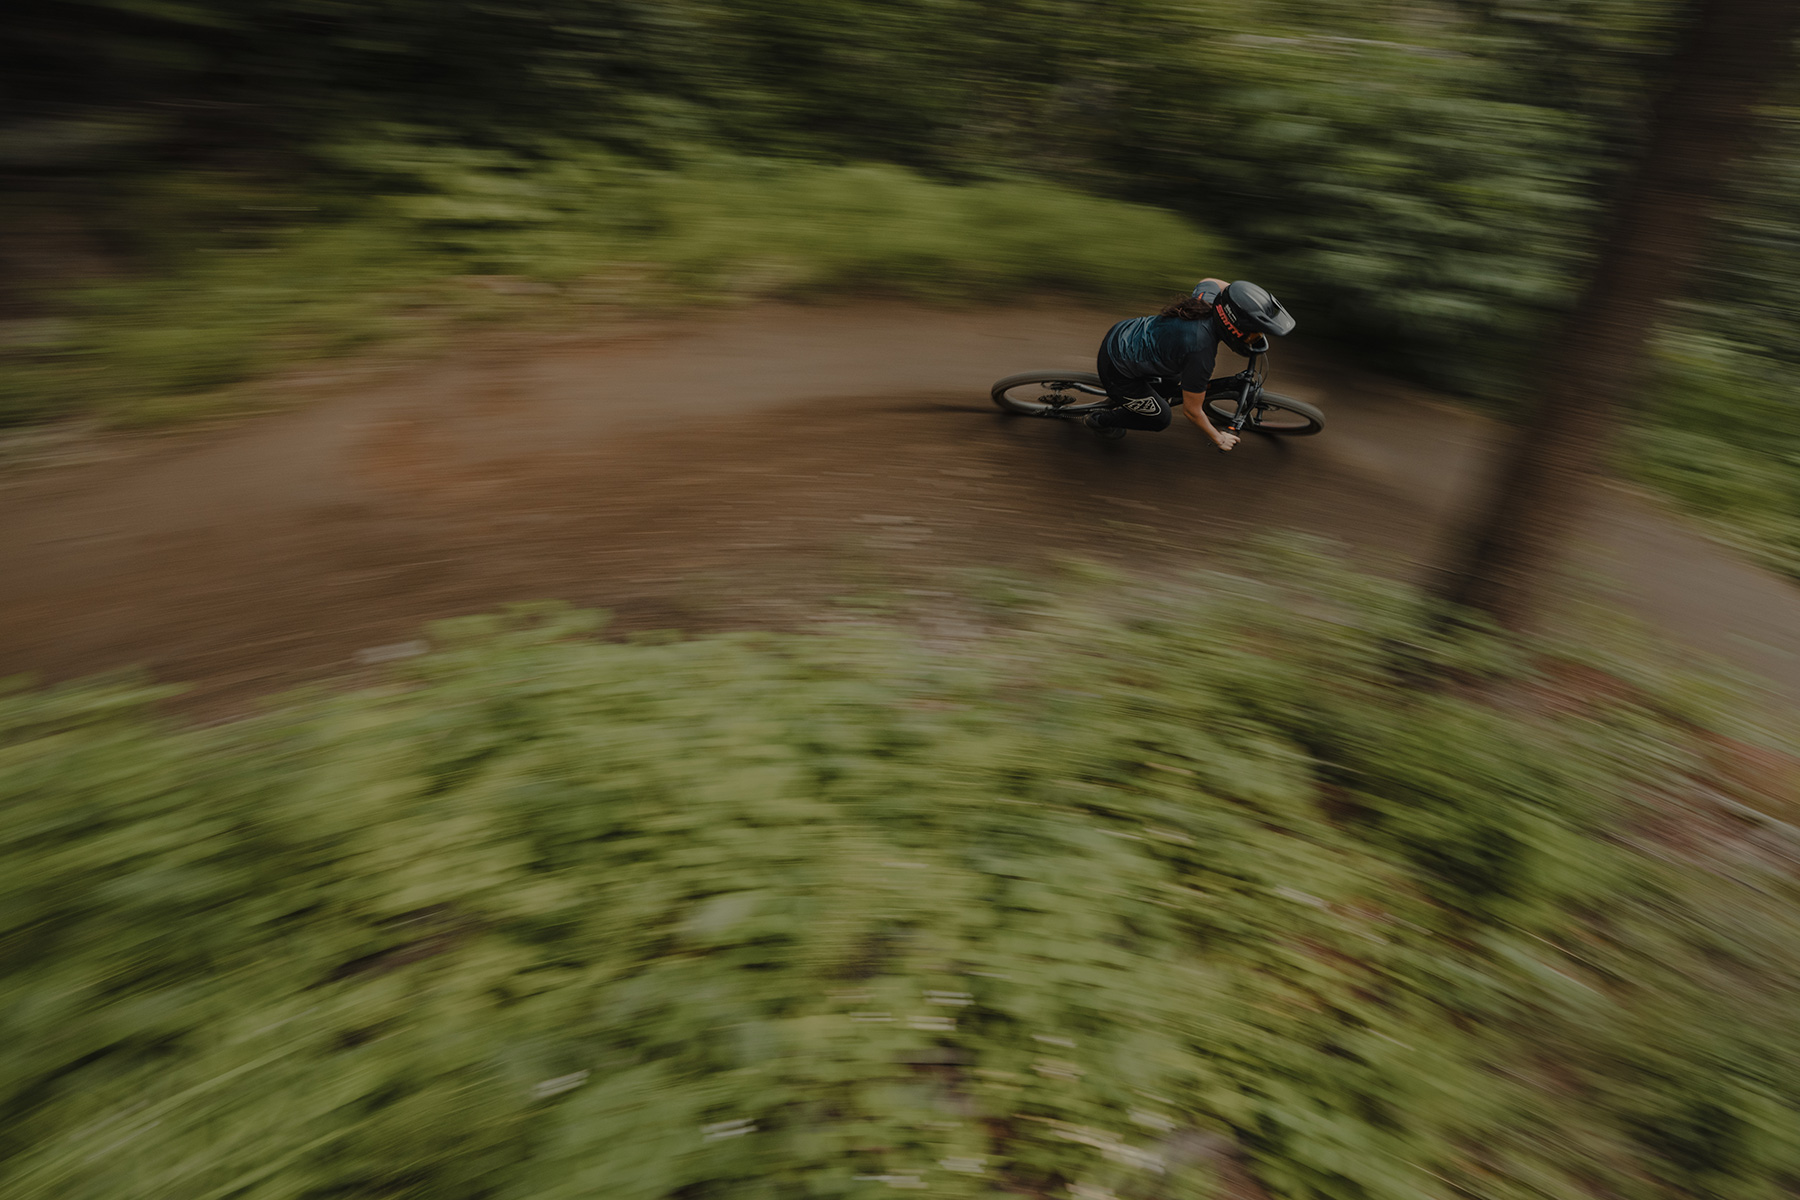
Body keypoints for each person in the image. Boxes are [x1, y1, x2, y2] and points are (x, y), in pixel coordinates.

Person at [1085, 278, 1297, 447]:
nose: (1256, 338)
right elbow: (1192, 411)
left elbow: (1214, 282)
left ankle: (1144, 395)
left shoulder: (1210, 300)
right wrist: (1219, 438)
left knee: (1172, 383)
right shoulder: (1200, 352)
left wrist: (1238, 298)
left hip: (1127, 333)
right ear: (1234, 327)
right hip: (1117, 369)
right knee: (1160, 418)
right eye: (1253, 333)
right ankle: (1099, 420)